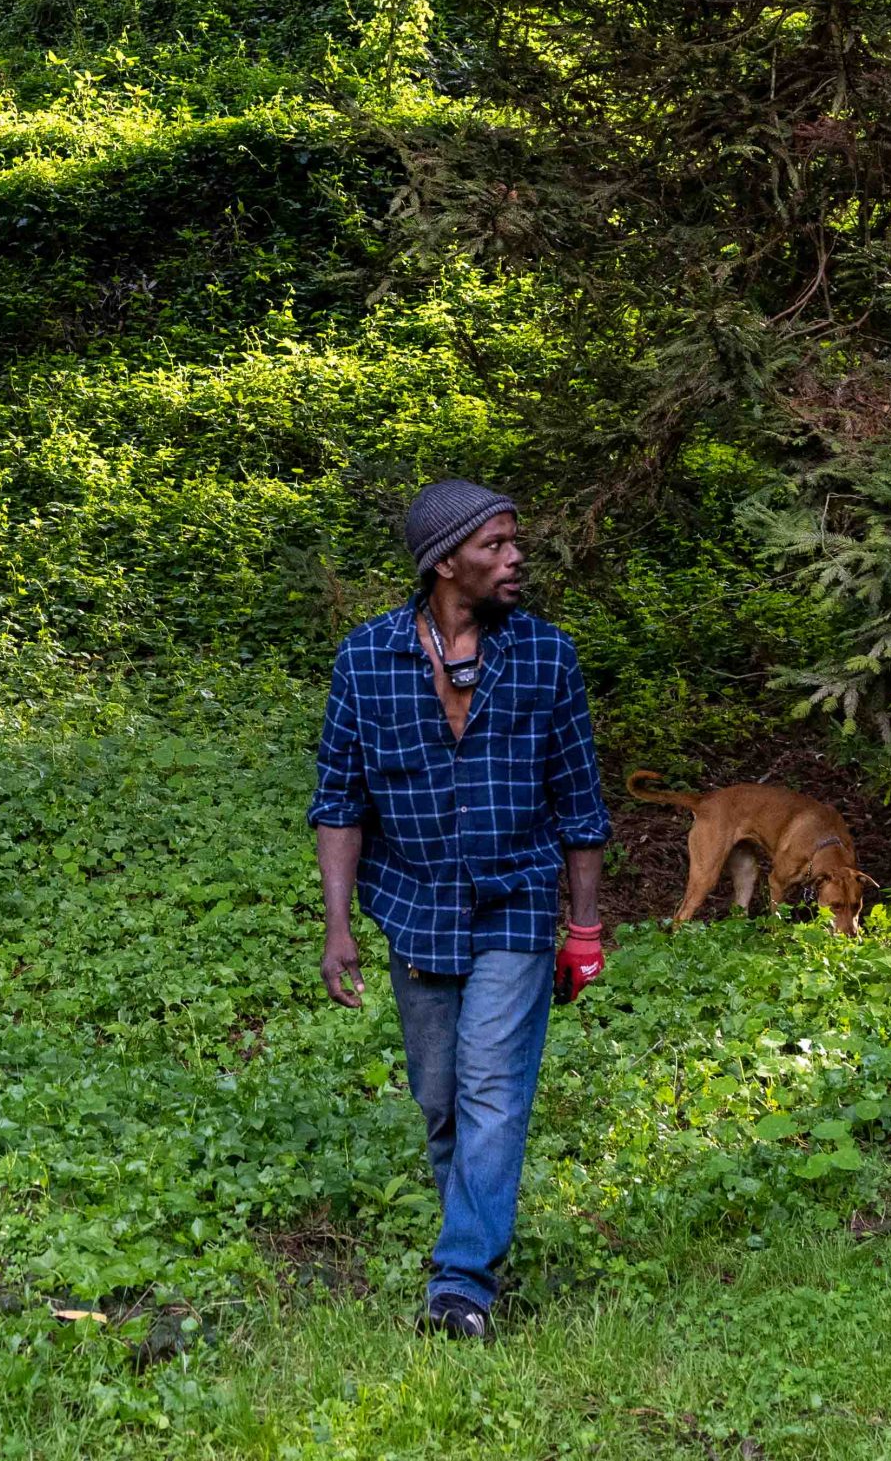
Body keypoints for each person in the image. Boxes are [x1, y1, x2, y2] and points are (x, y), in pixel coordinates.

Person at [309, 478, 612, 1337]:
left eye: (516, 542)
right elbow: (339, 802)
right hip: (415, 908)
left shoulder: (547, 657)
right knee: (441, 1097)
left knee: (490, 1087)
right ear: (446, 561)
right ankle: (468, 1237)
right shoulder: (366, 660)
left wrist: (583, 927)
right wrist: (339, 928)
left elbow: (581, 805)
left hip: (516, 900)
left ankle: (462, 1283)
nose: (516, 558)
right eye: (496, 545)